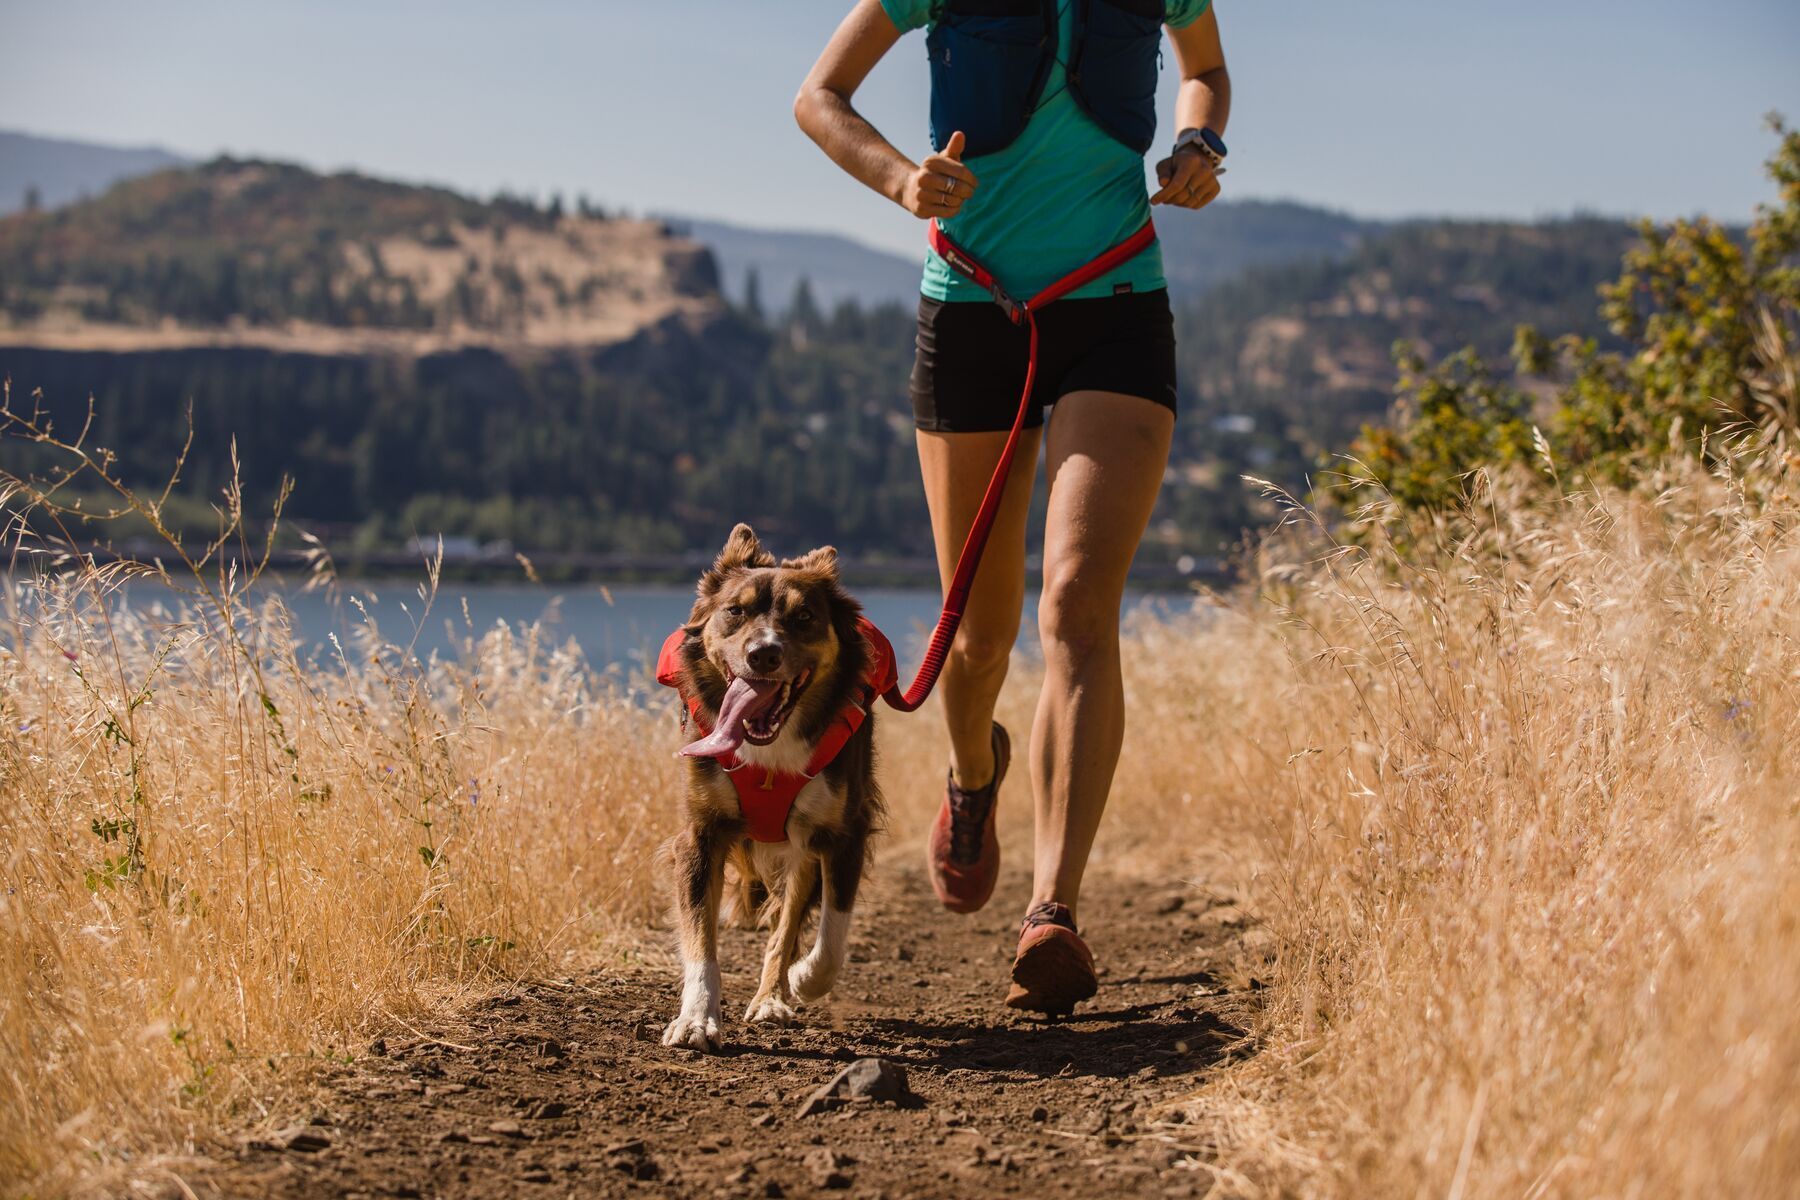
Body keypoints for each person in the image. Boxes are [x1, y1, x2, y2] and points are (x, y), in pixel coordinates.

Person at [795, 0, 1230, 1014]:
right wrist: (902, 177)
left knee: (1076, 606)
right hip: (971, 309)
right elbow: (819, 100)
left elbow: (1204, 68)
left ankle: (1052, 912)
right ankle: (970, 772)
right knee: (979, 640)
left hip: (1116, 304)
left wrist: (1200, 139)